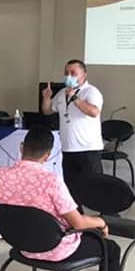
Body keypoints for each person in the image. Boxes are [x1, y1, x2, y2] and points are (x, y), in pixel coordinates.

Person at [0, 126, 125, 271]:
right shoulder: (51, 181)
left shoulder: (0, 175)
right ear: (47, 156)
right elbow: (78, 223)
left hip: (22, 244)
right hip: (51, 246)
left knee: (49, 231)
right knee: (110, 249)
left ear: (22, 147)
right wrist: (101, 222)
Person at [41, 59, 104, 199]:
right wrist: (46, 98)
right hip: (68, 148)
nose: (68, 76)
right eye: (66, 73)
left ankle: (105, 211)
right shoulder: (62, 93)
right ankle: (77, 211)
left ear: (84, 75)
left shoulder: (91, 91)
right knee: (71, 188)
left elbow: (94, 112)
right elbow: (47, 111)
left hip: (88, 149)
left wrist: (74, 98)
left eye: (73, 73)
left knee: (95, 187)